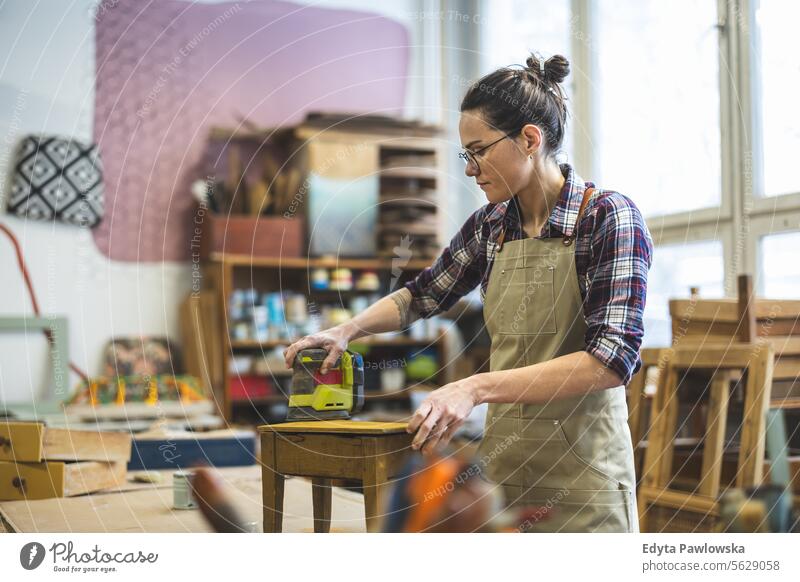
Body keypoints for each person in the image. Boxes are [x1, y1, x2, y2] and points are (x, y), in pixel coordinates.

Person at [284, 53, 653, 532]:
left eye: (478, 151)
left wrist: (473, 387)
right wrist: (346, 329)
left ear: (529, 140)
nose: (469, 168)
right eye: (466, 154)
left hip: (585, 478)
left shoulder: (606, 219)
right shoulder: (491, 227)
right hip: (506, 471)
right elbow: (421, 295)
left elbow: (610, 360)